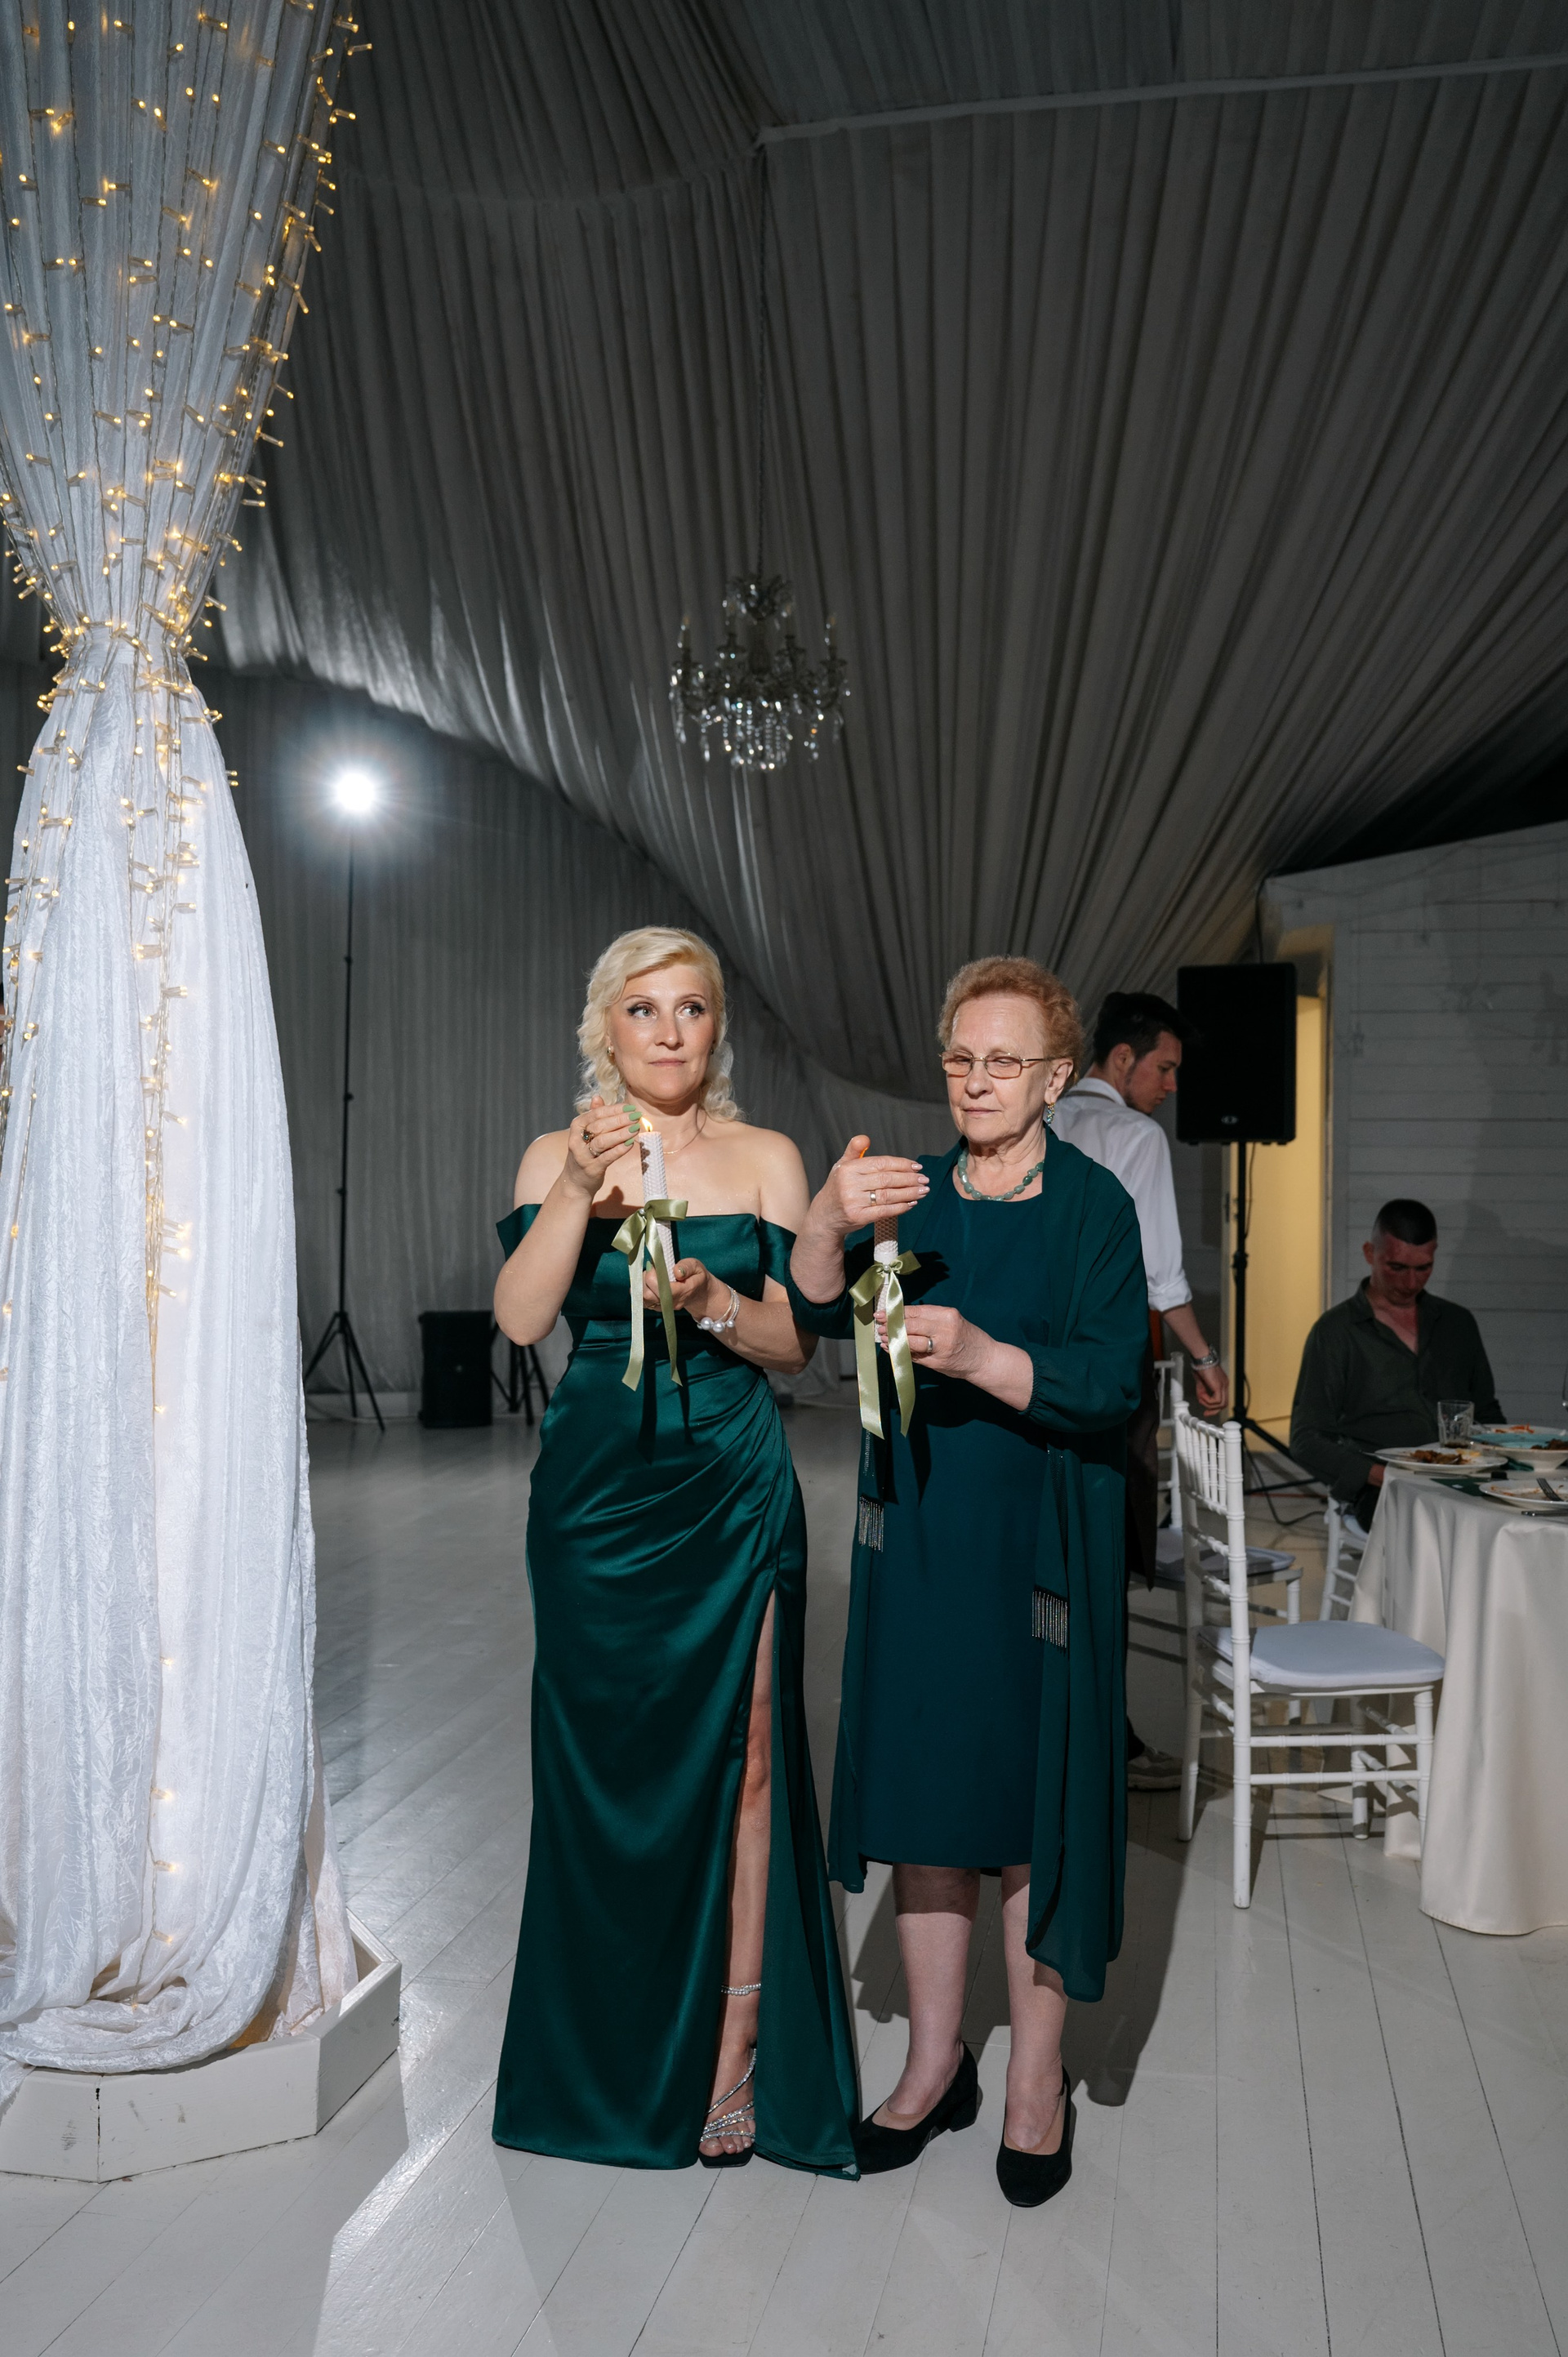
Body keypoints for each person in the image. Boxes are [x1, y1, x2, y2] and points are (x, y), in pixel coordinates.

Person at [491, 926, 858, 2174]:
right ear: (607, 1027)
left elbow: (796, 1345)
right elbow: (523, 1317)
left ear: (717, 1027)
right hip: (597, 1496)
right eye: (642, 1008)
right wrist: (575, 1189)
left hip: (732, 1481)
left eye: (691, 1007)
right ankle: (609, 2040)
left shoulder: (766, 1158)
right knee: (601, 1766)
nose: (668, 1031)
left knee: (748, 1764)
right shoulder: (557, 1153)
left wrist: (711, 1300)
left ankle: (734, 2047)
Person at [788, 956, 1146, 2208]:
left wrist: (988, 1354)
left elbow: (1112, 1380)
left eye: (1004, 1061)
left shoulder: (1096, 1206)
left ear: (1056, 1077)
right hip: (924, 1537)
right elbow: (814, 1313)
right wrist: (826, 1218)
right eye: (960, 1058)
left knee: (1033, 1812)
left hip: (1041, 1547)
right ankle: (935, 2064)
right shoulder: (911, 1191)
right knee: (930, 1802)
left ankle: (1036, 2083)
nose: (977, 1080)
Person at [1051, 991, 1227, 1793]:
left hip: (1026, 1364)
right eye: (1165, 1067)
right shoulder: (1135, 1136)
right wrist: (1205, 1357)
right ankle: (1108, 1745)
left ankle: (1053, 1737)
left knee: (1044, 1555)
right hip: (1107, 1372)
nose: (1171, 1086)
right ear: (1122, 1059)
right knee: (1107, 1557)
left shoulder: (1040, 1119)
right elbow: (1161, 1275)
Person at [1290, 1199, 1503, 1531]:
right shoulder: (1336, 1332)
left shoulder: (1457, 1323)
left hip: (1462, 1477)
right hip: (1382, 1488)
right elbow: (1306, 1439)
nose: (1411, 1283)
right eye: (1397, 1268)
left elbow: (1487, 1414)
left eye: (1424, 1268)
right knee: (1437, 1528)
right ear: (1369, 1253)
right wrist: (1380, 1474)